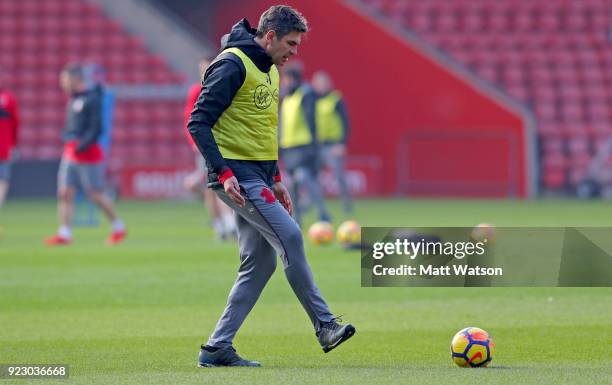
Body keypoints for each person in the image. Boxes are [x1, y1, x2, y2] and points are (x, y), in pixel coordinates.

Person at [188, 5, 355, 368]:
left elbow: (262, 130)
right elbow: (198, 121)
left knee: (259, 265)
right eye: (290, 43)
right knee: (292, 237)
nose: (294, 51)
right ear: (268, 37)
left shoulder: (271, 70)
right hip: (237, 177)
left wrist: (276, 179)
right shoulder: (232, 63)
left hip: (259, 177)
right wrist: (224, 172)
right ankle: (325, 325)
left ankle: (217, 348)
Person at [45, 64, 126, 246]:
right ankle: (64, 233)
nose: (62, 83)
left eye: (64, 79)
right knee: (65, 192)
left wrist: (82, 145)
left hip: (88, 153)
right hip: (70, 153)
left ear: (76, 79)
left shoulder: (92, 98)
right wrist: (66, 134)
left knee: (95, 195)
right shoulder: (73, 99)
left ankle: (119, 226)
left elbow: (97, 128)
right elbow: (72, 125)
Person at [184, 58, 237, 240]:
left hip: (222, 143)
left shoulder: (223, 86)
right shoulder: (196, 91)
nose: (203, 71)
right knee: (212, 187)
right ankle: (222, 224)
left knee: (221, 184)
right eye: (201, 68)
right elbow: (191, 120)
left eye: (206, 67)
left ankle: (227, 222)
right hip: (205, 145)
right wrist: (195, 143)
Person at [280, 65, 331, 225]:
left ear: (293, 79)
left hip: (303, 146)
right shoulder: (287, 97)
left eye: (286, 78)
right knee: (293, 183)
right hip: (289, 148)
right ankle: (297, 217)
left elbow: (311, 120)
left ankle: (323, 213)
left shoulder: (305, 95)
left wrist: (314, 146)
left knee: (304, 177)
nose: (284, 82)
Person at [312, 70, 353, 214]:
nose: (320, 86)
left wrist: (342, 143)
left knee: (339, 176)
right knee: (312, 177)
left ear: (329, 84)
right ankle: (314, 206)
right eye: (317, 83)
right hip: (316, 146)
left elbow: (345, 122)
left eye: (323, 83)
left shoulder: (336, 99)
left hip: (332, 145)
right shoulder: (312, 100)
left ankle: (347, 206)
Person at [0, 81, 19, 210]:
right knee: (3, 181)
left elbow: (15, 123)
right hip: (4, 147)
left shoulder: (9, 98)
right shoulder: (8, 98)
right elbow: (16, 123)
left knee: (3, 180)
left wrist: (13, 144)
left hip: (4, 147)